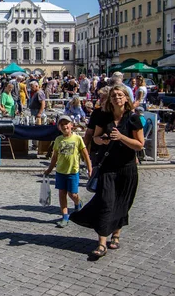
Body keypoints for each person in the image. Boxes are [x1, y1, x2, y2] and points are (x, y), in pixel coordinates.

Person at [70, 84, 145, 259]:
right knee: (106, 202)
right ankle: (102, 243)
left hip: (127, 168)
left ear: (126, 98)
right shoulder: (104, 117)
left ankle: (116, 234)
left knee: (122, 203)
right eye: (114, 96)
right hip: (108, 168)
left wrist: (121, 137)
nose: (117, 98)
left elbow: (139, 144)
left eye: (120, 95)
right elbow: (95, 137)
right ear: (110, 100)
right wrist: (101, 140)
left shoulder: (133, 118)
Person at [45, 115, 93, 228]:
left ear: (71, 125)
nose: (64, 126)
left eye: (66, 124)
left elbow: (85, 155)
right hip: (61, 171)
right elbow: (54, 157)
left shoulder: (77, 139)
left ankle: (78, 202)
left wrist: (90, 169)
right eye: (62, 124)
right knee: (62, 194)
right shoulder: (58, 140)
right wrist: (49, 169)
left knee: (72, 194)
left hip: (73, 171)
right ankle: (65, 216)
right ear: (59, 127)